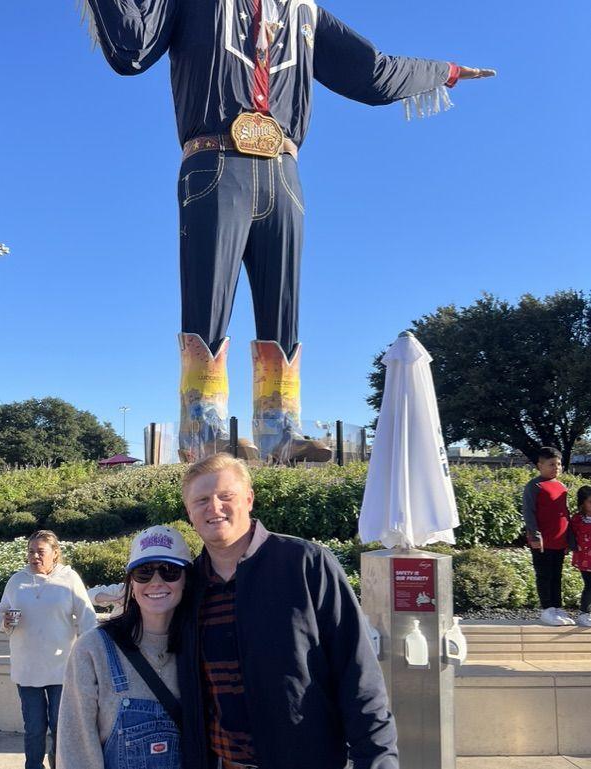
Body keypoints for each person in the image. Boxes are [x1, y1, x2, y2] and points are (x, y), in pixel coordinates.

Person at [79, 0, 494, 463]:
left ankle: (280, 430)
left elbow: (372, 72)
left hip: (285, 170)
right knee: (207, 301)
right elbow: (132, 47)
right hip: (215, 158)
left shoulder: (306, 12)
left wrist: (447, 71)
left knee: (283, 309)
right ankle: (202, 427)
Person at [177, 453, 397, 769]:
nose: (214, 507)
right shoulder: (189, 587)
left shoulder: (306, 564)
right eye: (201, 500)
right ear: (189, 512)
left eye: (226, 496)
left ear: (249, 499)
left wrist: (378, 761)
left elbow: (358, 671)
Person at [57, 525, 193, 769]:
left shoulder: (202, 648)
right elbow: (76, 750)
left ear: (187, 579)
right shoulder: (93, 649)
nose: (156, 581)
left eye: (170, 571)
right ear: (131, 582)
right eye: (144, 572)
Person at [0, 530, 96, 769]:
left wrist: (88, 657)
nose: (34, 556)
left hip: (62, 669)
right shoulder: (17, 581)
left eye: (41, 552)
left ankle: (60, 765)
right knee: (34, 729)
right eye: (31, 551)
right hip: (27, 669)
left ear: (55, 554)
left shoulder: (69, 579)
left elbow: (88, 620)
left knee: (61, 728)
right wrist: (4, 620)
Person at [522, 446, 573, 626]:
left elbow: (564, 513)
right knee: (544, 574)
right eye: (551, 464)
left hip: (560, 540)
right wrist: (535, 536)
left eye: (559, 464)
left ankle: (557, 607)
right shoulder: (534, 486)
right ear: (539, 465)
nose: (556, 468)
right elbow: (529, 512)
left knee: (556, 575)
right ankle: (547, 609)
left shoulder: (561, 486)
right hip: (542, 540)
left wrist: (569, 538)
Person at [568, 486, 591, 628]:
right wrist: (573, 548)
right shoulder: (577, 519)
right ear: (582, 503)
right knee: (589, 585)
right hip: (585, 559)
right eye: (590, 501)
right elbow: (571, 536)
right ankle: (584, 613)